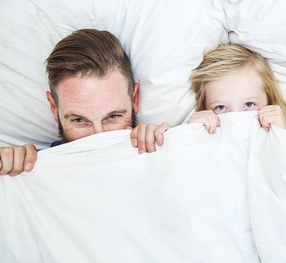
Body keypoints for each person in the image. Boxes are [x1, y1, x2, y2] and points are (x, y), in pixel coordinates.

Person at [0, 29, 169, 176]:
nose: (98, 137)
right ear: (54, 108)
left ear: (134, 100)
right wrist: (10, 166)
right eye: (79, 120)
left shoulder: (160, 146)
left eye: (113, 116)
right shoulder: (30, 167)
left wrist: (170, 145)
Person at [187, 44, 286, 138]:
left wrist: (283, 133)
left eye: (249, 104)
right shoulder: (205, 131)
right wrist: (190, 132)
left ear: (269, 98)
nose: (236, 117)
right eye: (221, 107)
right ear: (205, 107)